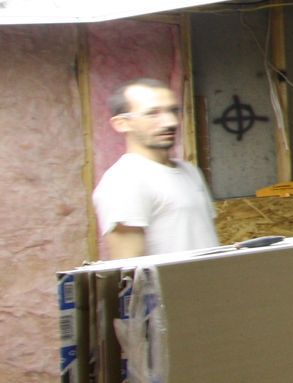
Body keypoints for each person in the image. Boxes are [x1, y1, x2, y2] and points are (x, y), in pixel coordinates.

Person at [92, 77, 219, 259]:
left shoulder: (190, 171)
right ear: (122, 124)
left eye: (173, 111)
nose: (170, 122)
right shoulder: (123, 181)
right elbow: (130, 271)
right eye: (153, 113)